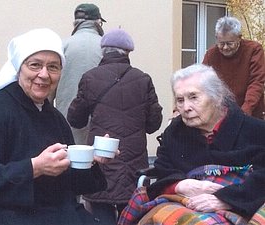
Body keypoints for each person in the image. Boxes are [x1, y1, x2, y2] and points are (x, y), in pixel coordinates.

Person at [0, 28, 112, 225]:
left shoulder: (55, 118)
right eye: (35, 65)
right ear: (19, 68)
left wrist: (89, 161)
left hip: (57, 214)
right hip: (4, 216)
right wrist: (34, 167)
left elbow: (71, 186)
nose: (44, 75)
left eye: (53, 67)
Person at [118, 64, 265, 225]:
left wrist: (227, 199)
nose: (186, 108)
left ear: (217, 97)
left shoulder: (256, 131)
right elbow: (163, 170)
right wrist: (181, 185)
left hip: (244, 203)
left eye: (194, 97)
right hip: (184, 201)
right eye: (180, 100)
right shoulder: (174, 133)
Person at [67, 28, 163, 224]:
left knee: (101, 212)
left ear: (103, 51)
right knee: (133, 213)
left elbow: (75, 119)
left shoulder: (89, 78)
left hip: (102, 160)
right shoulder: (143, 79)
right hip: (134, 162)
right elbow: (154, 124)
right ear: (128, 53)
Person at [51, 3, 106, 145]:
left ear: (75, 23)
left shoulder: (62, 46)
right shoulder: (106, 47)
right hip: (101, 121)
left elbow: (50, 86)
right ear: (98, 22)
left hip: (66, 118)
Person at [203, 16, 265, 119]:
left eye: (230, 43)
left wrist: (245, 111)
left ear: (239, 38)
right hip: (221, 113)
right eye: (221, 43)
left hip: (250, 113)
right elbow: (201, 82)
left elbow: (257, 82)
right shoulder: (211, 54)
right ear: (216, 38)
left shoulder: (254, 50)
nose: (225, 47)